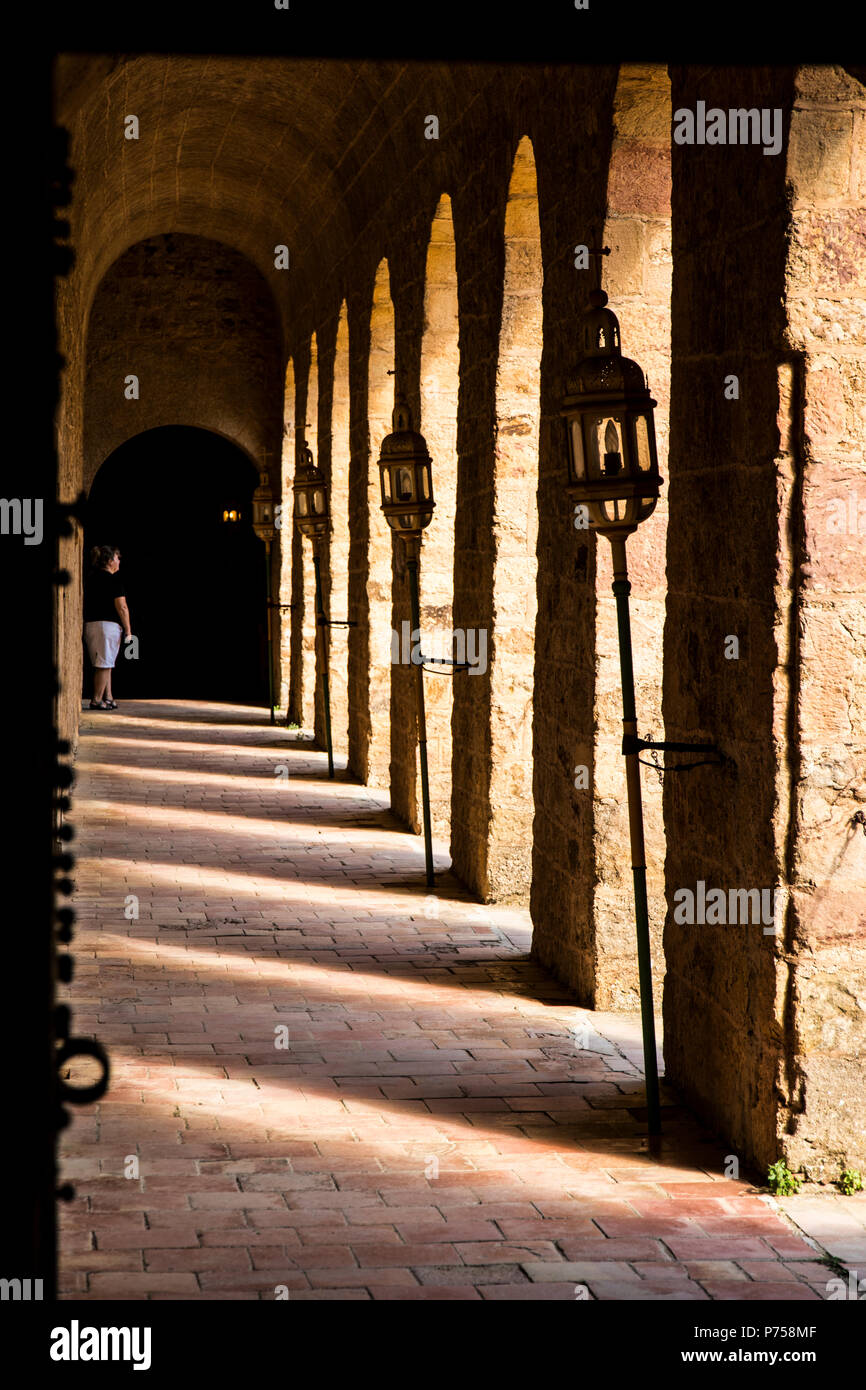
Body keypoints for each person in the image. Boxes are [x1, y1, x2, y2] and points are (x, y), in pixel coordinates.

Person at [83, 544, 132, 710]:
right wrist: (128, 629)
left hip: (91, 624)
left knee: (106, 662)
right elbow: (122, 607)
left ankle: (108, 696)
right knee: (104, 664)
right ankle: (96, 699)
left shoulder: (91, 577)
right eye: (117, 558)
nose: (119, 561)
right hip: (107, 626)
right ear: (111, 561)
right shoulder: (114, 580)